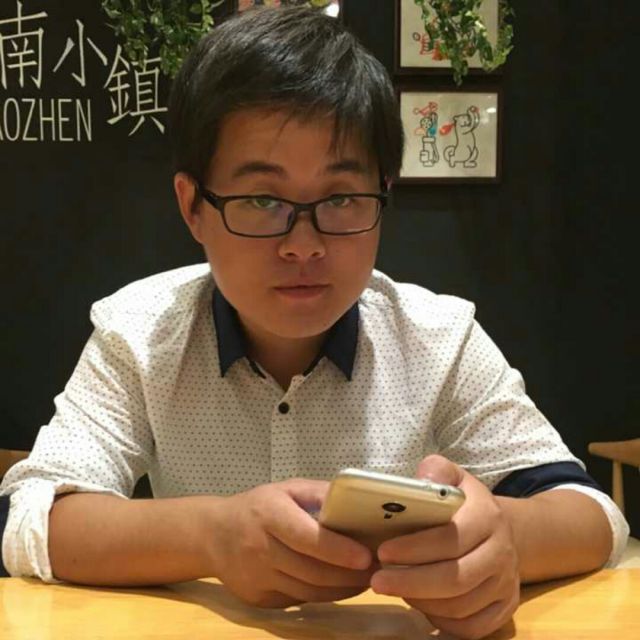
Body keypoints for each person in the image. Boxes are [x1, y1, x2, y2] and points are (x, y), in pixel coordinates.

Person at [0, 6, 628, 639]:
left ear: (383, 194)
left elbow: (590, 512)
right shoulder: (138, 333)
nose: (304, 245)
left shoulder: (439, 339)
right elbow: (27, 518)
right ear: (193, 206)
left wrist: (502, 537)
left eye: (341, 198)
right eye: (262, 199)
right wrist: (211, 536)